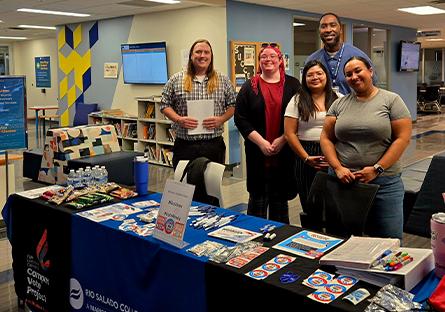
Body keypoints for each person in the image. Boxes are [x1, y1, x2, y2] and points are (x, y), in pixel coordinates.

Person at [320, 56, 412, 239]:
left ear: (370, 71)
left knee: (389, 240)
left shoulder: (391, 100)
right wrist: (337, 168)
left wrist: (377, 169)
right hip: (343, 182)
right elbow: (326, 138)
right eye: (348, 74)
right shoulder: (339, 104)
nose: (354, 77)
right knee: (340, 239)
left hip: (384, 183)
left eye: (358, 71)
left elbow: (402, 139)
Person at [235, 44, 300, 223]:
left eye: (273, 56)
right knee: (257, 202)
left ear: (280, 60)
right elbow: (240, 118)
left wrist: (283, 139)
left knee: (280, 204)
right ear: (259, 61)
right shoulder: (250, 86)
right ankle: (253, 242)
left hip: (285, 152)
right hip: (257, 153)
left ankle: (279, 241)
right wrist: (262, 143)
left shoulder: (293, 85)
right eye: (264, 56)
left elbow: (300, 117)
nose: (268, 59)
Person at [160, 39, 236, 169]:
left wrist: (221, 119)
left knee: (210, 187)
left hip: (213, 145)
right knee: (184, 186)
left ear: (211, 56)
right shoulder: (176, 79)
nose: (202, 56)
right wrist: (178, 119)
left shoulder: (223, 80)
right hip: (185, 145)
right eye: (198, 52)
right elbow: (164, 105)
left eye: (206, 52)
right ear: (191, 55)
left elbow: (233, 105)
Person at [284, 60, 338, 223]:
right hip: (307, 154)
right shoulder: (297, 100)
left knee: (334, 202)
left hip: (334, 153)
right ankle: (313, 239)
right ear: (304, 78)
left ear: (326, 76)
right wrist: (306, 158)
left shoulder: (338, 98)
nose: (315, 77)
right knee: (311, 203)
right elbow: (289, 133)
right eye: (310, 75)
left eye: (319, 73)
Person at [306, 12, 376, 95]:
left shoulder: (358, 56)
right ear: (319, 31)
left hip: (353, 106)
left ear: (340, 30)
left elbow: (372, 87)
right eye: (324, 26)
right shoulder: (312, 60)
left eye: (333, 25)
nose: (328, 30)